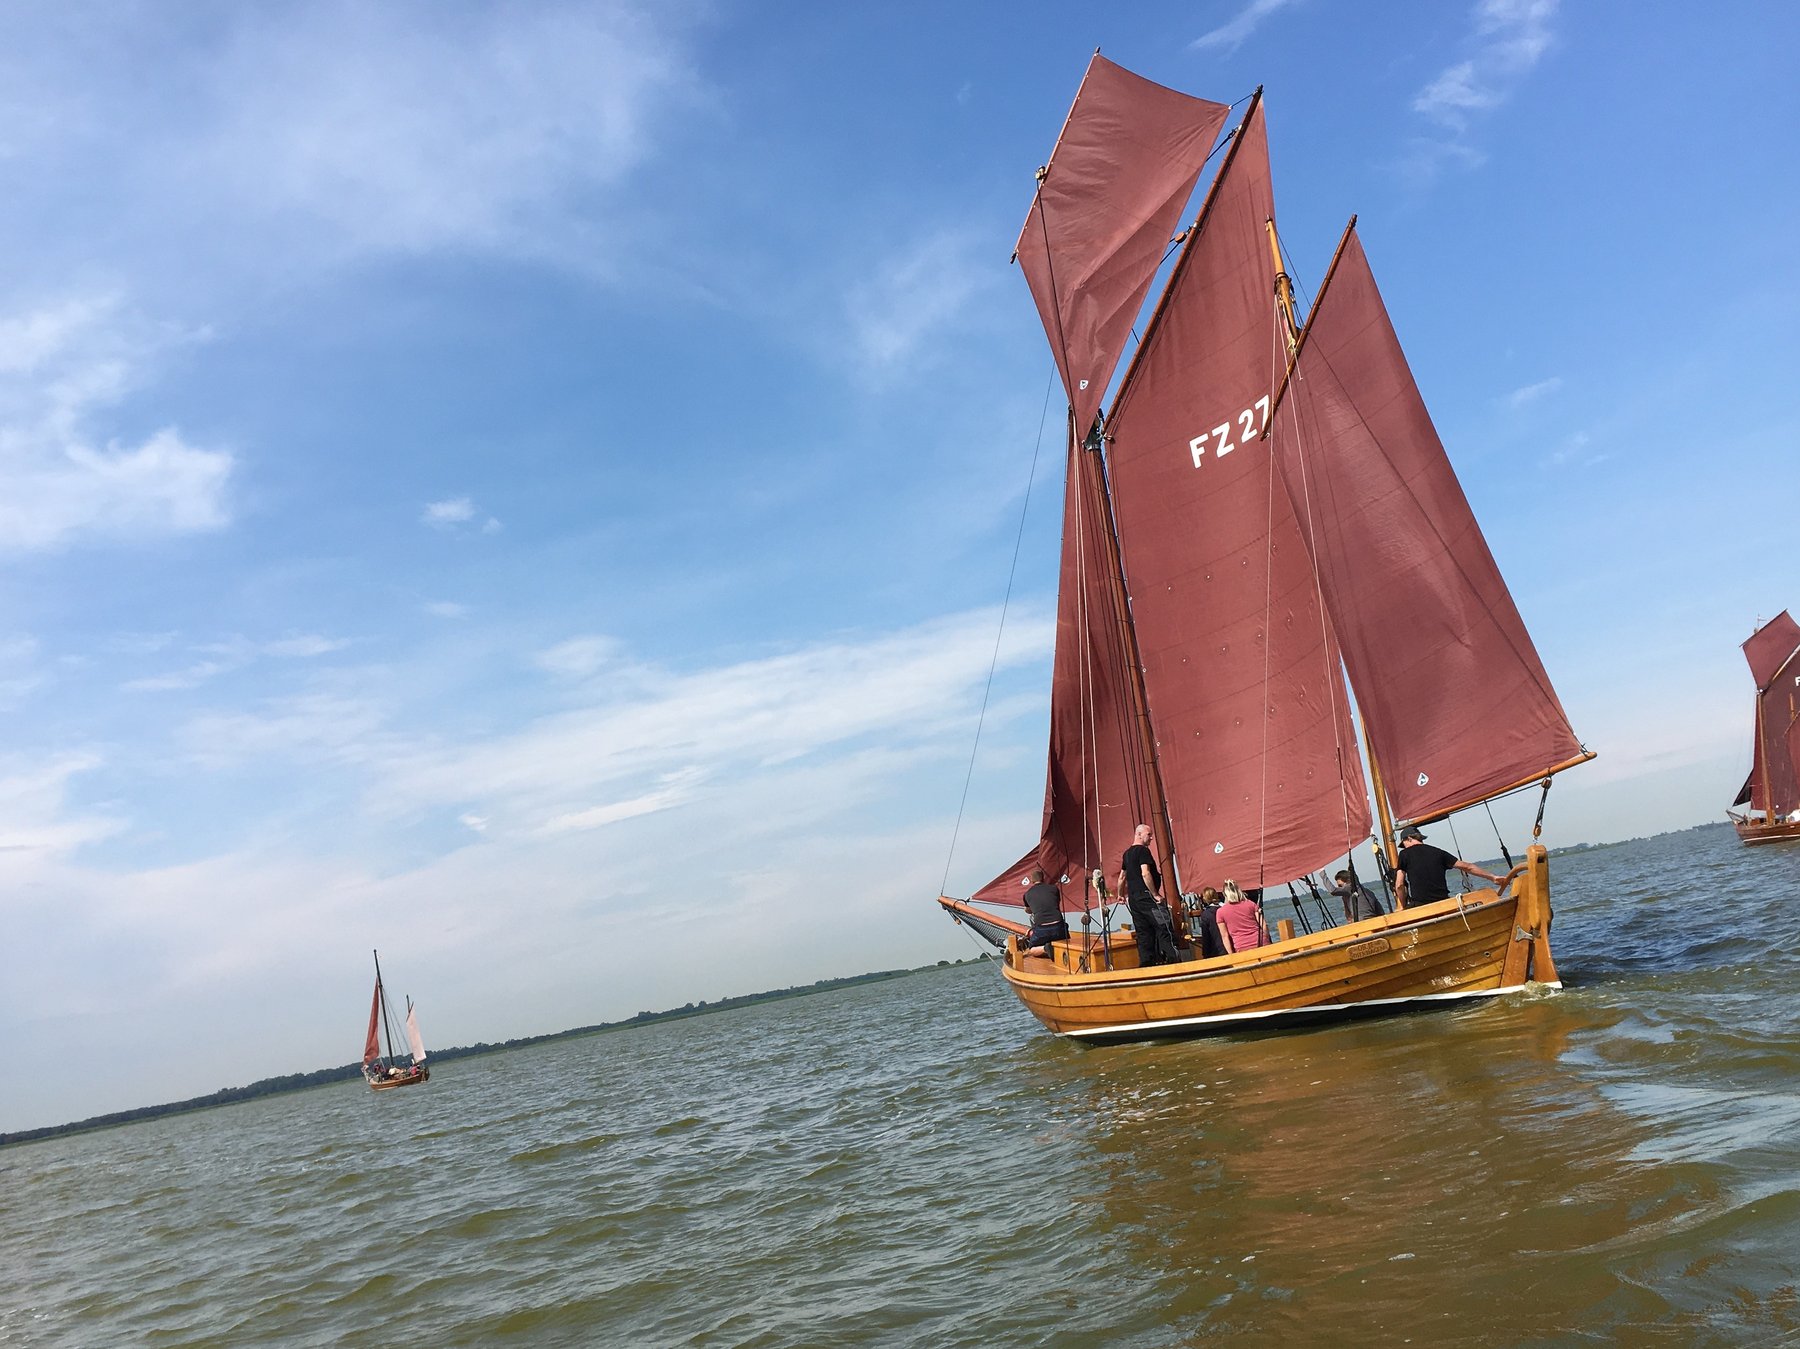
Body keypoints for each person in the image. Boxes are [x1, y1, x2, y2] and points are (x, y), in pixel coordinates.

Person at [1393, 826, 1505, 908]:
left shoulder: (1404, 854)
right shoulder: (1438, 852)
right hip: (1444, 903)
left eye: (1403, 844)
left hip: (1421, 906)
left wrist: (1402, 906)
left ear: (1409, 838)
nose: (1404, 848)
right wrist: (1492, 877)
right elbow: (1468, 867)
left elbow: (1399, 885)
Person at [1116, 823, 1177, 966]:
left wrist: (1120, 895)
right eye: (1149, 835)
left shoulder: (1127, 854)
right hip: (1147, 897)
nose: (1151, 838)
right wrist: (1155, 894)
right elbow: (1145, 873)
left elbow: (1121, 878)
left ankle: (1147, 965)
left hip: (1134, 900)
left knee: (1143, 933)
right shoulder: (1143, 851)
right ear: (1139, 834)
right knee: (1164, 927)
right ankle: (1174, 962)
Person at [1018, 868, 1068, 957]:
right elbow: (1056, 902)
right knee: (1066, 939)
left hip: (1042, 928)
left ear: (1032, 880)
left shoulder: (1027, 894)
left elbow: (1028, 910)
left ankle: (1045, 948)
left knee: (1032, 950)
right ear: (1043, 878)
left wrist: (1030, 909)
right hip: (1058, 925)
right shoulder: (1054, 888)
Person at [1215, 880, 1266, 953]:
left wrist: (1231, 955)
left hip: (1241, 946)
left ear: (1224, 894)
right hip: (1261, 942)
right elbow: (1263, 925)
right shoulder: (1251, 904)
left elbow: (1225, 936)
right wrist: (1266, 939)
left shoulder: (1220, 912)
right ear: (1239, 890)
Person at [1193, 886, 1227, 959]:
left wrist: (1205, 953)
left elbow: (1206, 936)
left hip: (1215, 950)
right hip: (1229, 946)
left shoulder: (1206, 914)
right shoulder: (1225, 909)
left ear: (1205, 899)